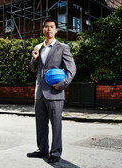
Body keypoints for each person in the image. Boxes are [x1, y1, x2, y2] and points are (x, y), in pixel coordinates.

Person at [27, 18, 76, 163]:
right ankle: (42, 149)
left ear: (56, 30)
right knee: (40, 124)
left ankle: (55, 152)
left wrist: (62, 85)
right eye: (46, 27)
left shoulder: (63, 47)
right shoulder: (39, 47)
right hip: (40, 93)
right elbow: (32, 69)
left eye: (51, 27)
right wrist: (34, 59)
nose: (49, 29)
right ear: (43, 30)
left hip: (55, 93)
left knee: (56, 125)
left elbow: (71, 70)